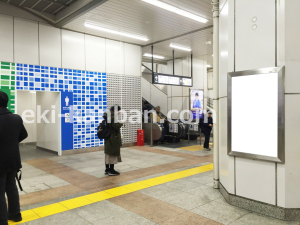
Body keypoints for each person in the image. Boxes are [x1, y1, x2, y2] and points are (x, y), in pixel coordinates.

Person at [0, 91, 28, 225]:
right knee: (11, 187)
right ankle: (15, 215)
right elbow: (24, 134)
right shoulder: (16, 118)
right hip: (13, 160)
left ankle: (2, 220)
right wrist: (11, 144)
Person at [104, 105, 124, 176]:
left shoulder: (108, 115)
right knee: (113, 153)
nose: (119, 112)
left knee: (108, 153)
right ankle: (111, 170)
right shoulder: (113, 116)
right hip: (113, 138)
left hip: (109, 137)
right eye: (118, 111)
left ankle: (107, 169)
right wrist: (121, 123)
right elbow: (115, 126)